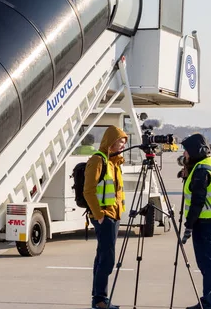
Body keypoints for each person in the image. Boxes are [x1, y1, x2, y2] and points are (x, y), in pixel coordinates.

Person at [83, 125, 128, 309]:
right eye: (120, 142)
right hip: (105, 217)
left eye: (124, 142)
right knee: (107, 259)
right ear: (110, 143)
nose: (123, 146)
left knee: (102, 257)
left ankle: (99, 299)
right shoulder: (98, 161)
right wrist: (99, 215)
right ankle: (100, 300)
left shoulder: (114, 162)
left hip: (114, 216)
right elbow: (89, 190)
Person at [180, 133, 211, 309]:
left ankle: (208, 303)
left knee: (208, 265)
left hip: (204, 223)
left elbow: (197, 202)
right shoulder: (209, 164)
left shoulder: (201, 171)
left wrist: (188, 226)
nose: (185, 154)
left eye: (187, 151)